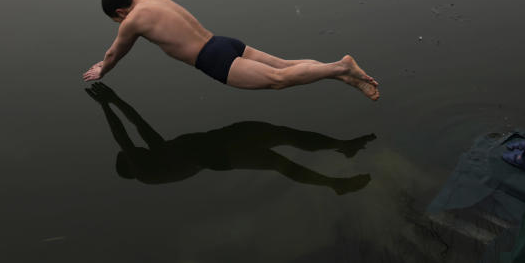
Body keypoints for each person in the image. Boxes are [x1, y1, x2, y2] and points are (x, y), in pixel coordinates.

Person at [83, 0, 379, 100]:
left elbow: (114, 52)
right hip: (223, 42)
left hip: (213, 60)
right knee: (286, 65)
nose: (121, 25)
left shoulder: (134, 20)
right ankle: (346, 76)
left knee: (278, 80)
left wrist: (103, 70)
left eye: (117, 21)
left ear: (121, 13)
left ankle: (340, 66)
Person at [87, 82, 375, 194]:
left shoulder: (156, 154)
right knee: (277, 159)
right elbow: (125, 136)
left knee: (282, 134)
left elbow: (138, 125)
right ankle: (334, 182)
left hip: (218, 141)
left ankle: (342, 146)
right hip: (219, 154)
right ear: (130, 163)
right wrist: (107, 104)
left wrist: (115, 100)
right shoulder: (145, 169)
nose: (135, 150)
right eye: (131, 153)